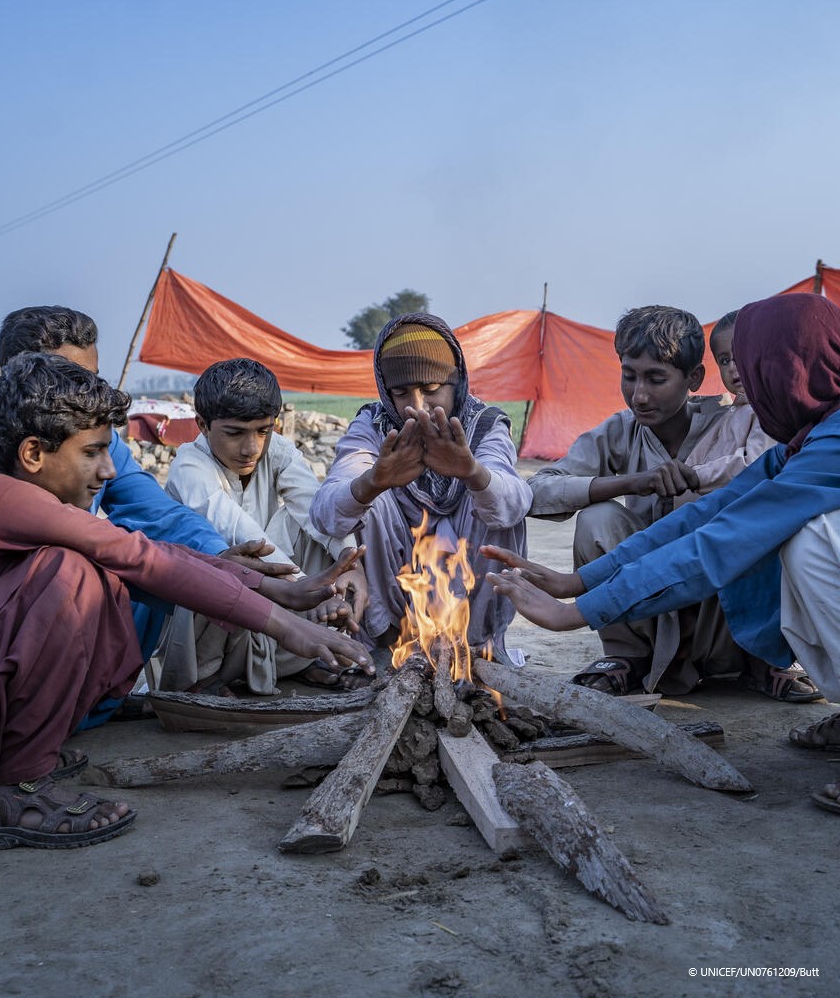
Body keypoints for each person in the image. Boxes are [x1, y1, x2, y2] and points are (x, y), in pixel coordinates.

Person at [0, 353, 374, 850]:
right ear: (33, 454)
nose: (109, 470)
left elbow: (154, 552)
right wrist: (288, 625)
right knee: (71, 576)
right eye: (93, 452)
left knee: (97, 572)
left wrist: (271, 587)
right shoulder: (1, 497)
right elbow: (140, 558)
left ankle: (23, 754)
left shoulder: (17, 498)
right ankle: (11, 787)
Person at [484, 291, 840, 811]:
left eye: (757, 371)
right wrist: (577, 583)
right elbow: (705, 518)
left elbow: (723, 541)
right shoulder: (807, 440)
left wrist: (576, 614)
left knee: (811, 542)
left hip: (714, 620)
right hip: (670, 593)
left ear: (787, 370)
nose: (747, 388)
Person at [0, 306, 290, 723]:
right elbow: (114, 550)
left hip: (71, 622)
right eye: (69, 376)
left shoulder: (97, 441)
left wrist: (218, 559)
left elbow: (158, 513)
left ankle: (93, 705)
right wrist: (275, 616)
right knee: (78, 569)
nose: (87, 389)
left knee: (151, 561)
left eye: (93, 378)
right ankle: (24, 733)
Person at [526, 304, 818, 700]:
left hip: (720, 617)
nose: (639, 394)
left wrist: (697, 482)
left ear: (693, 378)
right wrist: (630, 482)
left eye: (656, 378)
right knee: (598, 518)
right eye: (629, 376)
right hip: (642, 606)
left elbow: (758, 482)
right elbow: (539, 491)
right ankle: (627, 656)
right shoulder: (619, 432)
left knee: (761, 521)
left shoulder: (743, 423)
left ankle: (765, 658)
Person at [310, 312, 531, 660]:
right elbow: (326, 514)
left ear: (456, 381)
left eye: (431, 390)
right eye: (400, 393)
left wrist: (471, 472)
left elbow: (516, 503)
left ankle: (474, 648)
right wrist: (374, 481)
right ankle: (390, 646)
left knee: (496, 501)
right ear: (385, 390)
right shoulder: (374, 425)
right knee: (369, 498)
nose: (417, 407)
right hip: (399, 592)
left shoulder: (485, 425)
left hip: (471, 597)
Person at [160, 357, 368, 694]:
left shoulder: (278, 452)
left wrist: (349, 563)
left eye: (263, 430)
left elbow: (316, 510)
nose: (251, 447)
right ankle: (210, 679)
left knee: (318, 524)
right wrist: (314, 594)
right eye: (235, 433)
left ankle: (294, 662)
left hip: (282, 602)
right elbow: (241, 533)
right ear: (202, 425)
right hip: (220, 623)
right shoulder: (189, 466)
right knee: (224, 567)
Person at [674, 310, 775, 506]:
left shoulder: (768, 409)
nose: (732, 367)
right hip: (694, 518)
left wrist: (696, 477)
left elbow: (754, 463)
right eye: (724, 360)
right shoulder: (731, 412)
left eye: (741, 355)